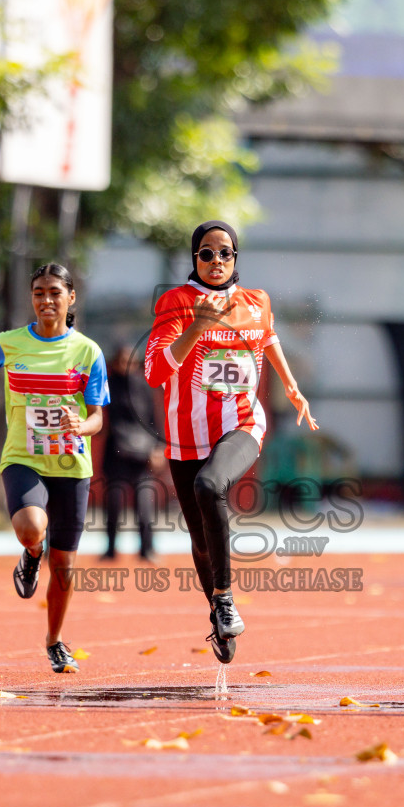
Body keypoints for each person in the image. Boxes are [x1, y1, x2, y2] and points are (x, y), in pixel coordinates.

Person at [144, 220, 318, 663]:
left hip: (242, 423)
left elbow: (269, 337)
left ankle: (224, 598)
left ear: (236, 258)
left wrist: (292, 386)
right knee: (200, 540)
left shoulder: (255, 301)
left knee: (209, 485)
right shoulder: (175, 303)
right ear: (194, 258)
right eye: (206, 253)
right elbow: (154, 373)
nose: (216, 261)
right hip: (187, 435)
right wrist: (196, 329)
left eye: (225, 253)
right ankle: (219, 618)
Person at [0, 264, 109, 674]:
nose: (46, 300)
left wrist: (81, 425)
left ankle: (54, 640)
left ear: (71, 298)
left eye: (55, 292)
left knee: (66, 566)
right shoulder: (9, 343)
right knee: (32, 528)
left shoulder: (88, 351)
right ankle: (30, 554)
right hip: (23, 456)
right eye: (38, 292)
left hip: (72, 465)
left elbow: (97, 418)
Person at [100, 344, 162, 562]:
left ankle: (147, 550)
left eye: (131, 362)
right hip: (116, 453)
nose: (127, 366)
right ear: (114, 363)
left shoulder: (144, 385)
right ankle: (110, 550)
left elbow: (153, 419)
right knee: (113, 505)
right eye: (122, 361)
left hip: (142, 453)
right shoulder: (107, 385)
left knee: (144, 505)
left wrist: (158, 448)